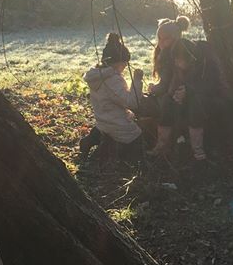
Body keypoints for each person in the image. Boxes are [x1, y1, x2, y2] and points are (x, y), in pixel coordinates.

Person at [145, 15, 222, 162]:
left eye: (165, 39)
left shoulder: (189, 51)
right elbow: (168, 82)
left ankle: (197, 150)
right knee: (166, 104)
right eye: (159, 38)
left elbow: (205, 81)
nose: (161, 43)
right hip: (178, 95)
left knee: (195, 107)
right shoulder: (166, 55)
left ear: (175, 37)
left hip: (200, 96)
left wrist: (187, 91)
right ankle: (161, 147)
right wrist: (158, 89)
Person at [80, 33, 144, 161]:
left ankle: (91, 141)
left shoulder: (98, 76)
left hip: (102, 119)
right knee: (138, 138)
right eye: (124, 64)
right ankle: (118, 154)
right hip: (117, 123)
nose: (125, 67)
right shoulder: (113, 80)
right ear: (117, 63)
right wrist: (137, 81)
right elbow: (131, 102)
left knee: (103, 128)